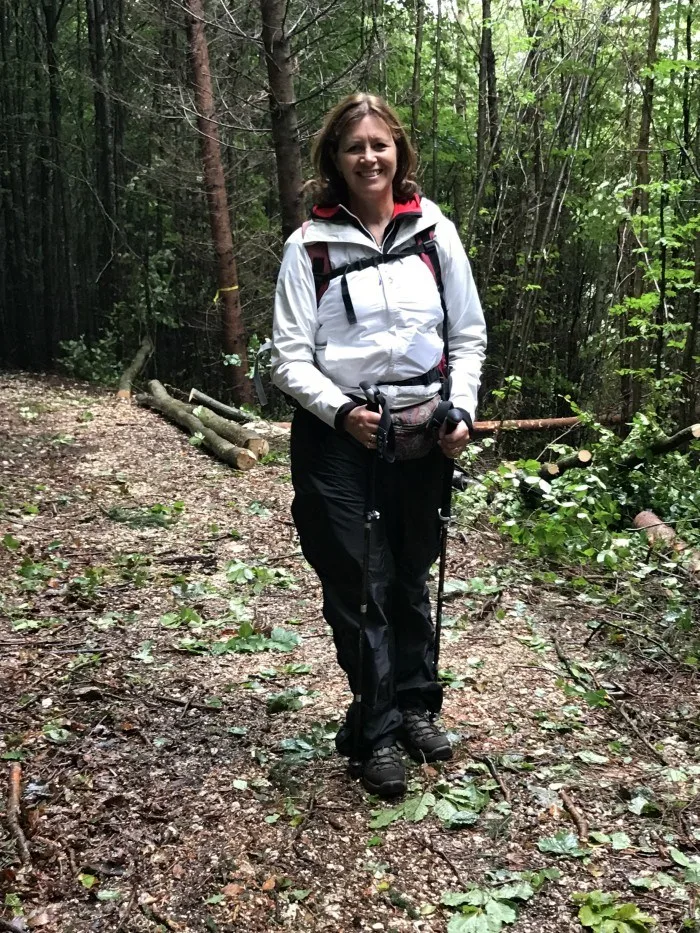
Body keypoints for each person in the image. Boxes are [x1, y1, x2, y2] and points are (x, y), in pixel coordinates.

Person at [271, 93, 486, 798]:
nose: (369, 157)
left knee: (410, 571)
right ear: (334, 159)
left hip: (424, 431)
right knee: (359, 583)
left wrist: (462, 410)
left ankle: (418, 704)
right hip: (340, 441)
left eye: (380, 144)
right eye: (354, 146)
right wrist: (340, 412)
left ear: (399, 152)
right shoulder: (310, 246)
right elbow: (289, 357)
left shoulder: (433, 231)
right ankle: (377, 732)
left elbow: (468, 334)